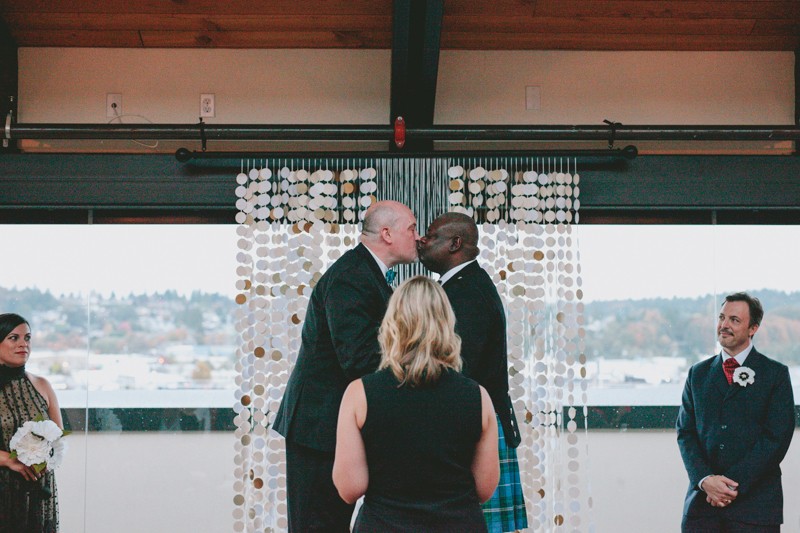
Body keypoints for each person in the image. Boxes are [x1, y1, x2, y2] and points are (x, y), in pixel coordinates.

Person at [272, 200, 419, 532]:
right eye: (411, 228)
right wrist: (418, 368)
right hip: (319, 430)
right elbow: (358, 358)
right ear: (387, 233)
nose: (418, 237)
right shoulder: (352, 277)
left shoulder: (365, 274)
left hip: (329, 426)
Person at [333, 276, 499, 532]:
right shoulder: (479, 397)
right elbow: (485, 488)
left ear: (393, 325)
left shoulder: (359, 394)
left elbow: (349, 488)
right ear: (446, 324)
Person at [417, 212, 527, 532]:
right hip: (476, 424)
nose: (422, 241)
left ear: (455, 243)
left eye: (430, 235)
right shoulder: (464, 286)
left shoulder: (467, 294)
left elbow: (459, 370)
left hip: (474, 430)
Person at [676, 292, 795, 532]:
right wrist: (706, 481)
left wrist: (728, 487)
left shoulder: (775, 375)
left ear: (753, 328)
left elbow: (776, 438)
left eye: (734, 320)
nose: (724, 325)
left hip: (755, 509)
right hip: (702, 507)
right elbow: (685, 433)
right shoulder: (697, 374)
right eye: (721, 318)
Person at [0, 313, 63, 533]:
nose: (23, 344)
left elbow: (58, 437)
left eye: (27, 338)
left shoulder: (42, 385)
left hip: (38, 491)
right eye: (13, 338)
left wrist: (44, 456)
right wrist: (9, 460)